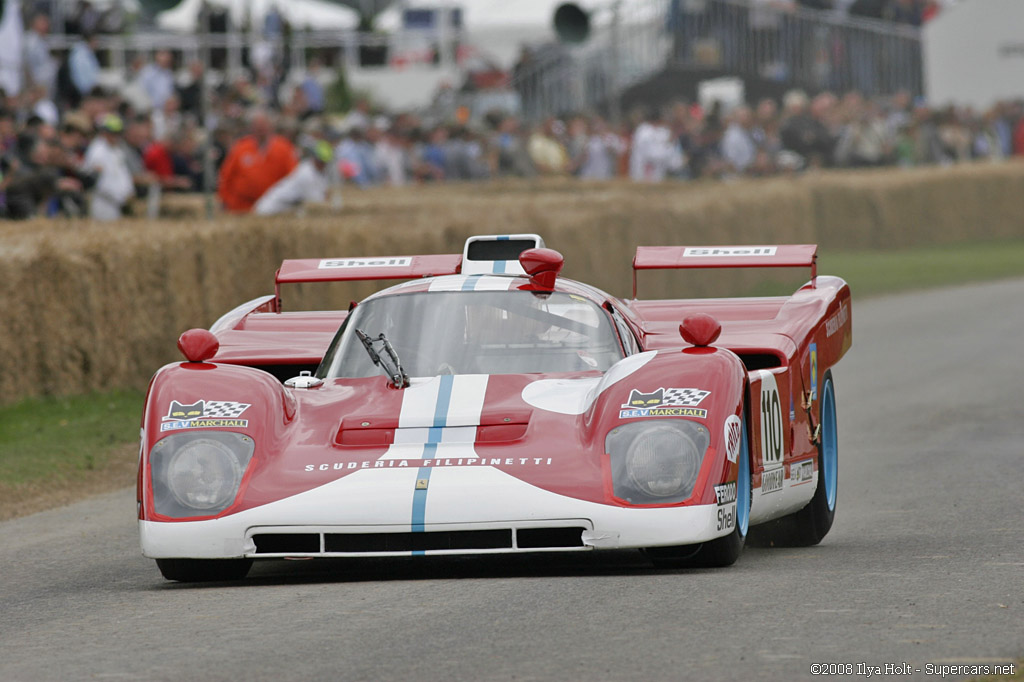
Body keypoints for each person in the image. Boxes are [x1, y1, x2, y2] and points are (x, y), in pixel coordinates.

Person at [217, 109, 297, 212]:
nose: (260, 128)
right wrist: (225, 199)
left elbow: (293, 177)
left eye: (263, 125)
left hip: (274, 208)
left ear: (271, 126)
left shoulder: (284, 148)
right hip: (241, 208)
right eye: (257, 125)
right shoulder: (241, 147)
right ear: (251, 127)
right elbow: (226, 176)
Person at [253, 140, 334, 215]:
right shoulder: (306, 174)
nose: (323, 164)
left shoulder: (316, 171)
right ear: (315, 158)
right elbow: (316, 203)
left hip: (284, 210)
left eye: (325, 162)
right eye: (321, 161)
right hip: (269, 210)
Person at [82, 113, 134, 220]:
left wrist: (129, 192)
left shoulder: (117, 151)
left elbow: (123, 174)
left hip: (118, 204)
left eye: (118, 133)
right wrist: (120, 197)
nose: (116, 137)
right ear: (104, 132)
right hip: (102, 202)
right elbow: (98, 182)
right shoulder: (97, 152)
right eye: (113, 133)